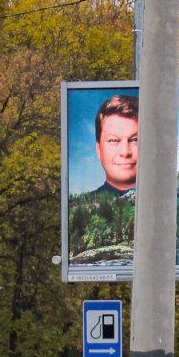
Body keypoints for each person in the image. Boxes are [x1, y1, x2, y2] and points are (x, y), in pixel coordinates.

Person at [68, 95, 140, 263]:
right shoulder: (80, 208)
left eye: (135, 140)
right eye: (114, 140)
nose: (125, 152)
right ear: (99, 149)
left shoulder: (172, 203)